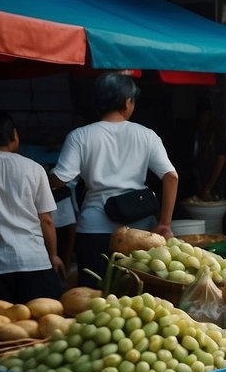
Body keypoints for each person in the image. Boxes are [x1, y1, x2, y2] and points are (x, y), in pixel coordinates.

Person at [50, 73, 178, 286]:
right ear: (128, 101)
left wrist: (42, 175)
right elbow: (171, 176)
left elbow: (61, 179)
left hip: (93, 229)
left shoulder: (80, 136)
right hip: (138, 232)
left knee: (94, 297)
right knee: (136, 297)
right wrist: (164, 223)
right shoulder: (147, 135)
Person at [0, 110, 63, 302]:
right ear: (14, 137)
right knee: (40, 326)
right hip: (33, 263)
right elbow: (46, 220)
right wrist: (53, 255)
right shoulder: (34, 168)